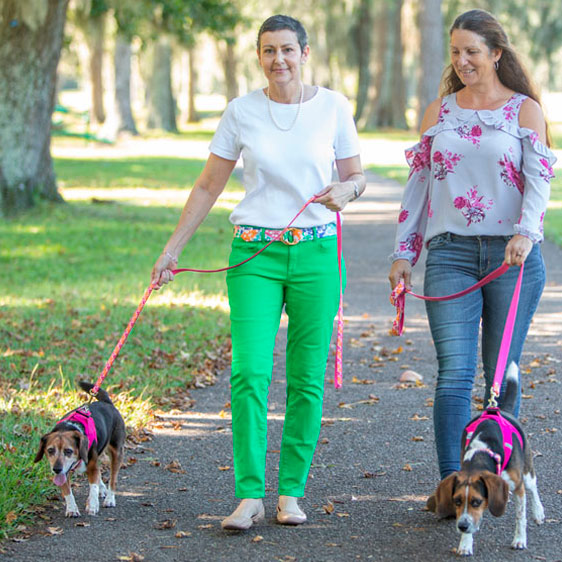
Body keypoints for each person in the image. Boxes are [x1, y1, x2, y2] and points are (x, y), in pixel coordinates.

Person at [151, 14, 364, 530]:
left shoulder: (333, 107)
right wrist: (172, 249)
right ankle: (248, 496)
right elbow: (208, 186)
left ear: (305, 52)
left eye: (288, 49)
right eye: (269, 51)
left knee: (306, 379)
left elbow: (356, 176)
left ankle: (291, 493)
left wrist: (347, 191)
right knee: (249, 372)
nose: (279, 60)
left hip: (316, 254)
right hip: (254, 256)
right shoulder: (241, 111)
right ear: (259, 56)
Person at [388, 9, 556, 484]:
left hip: (512, 257)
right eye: (456, 51)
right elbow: (418, 185)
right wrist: (404, 252)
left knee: (501, 375)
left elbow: (539, 181)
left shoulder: (524, 109)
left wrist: (526, 232)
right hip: (450, 254)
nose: (463, 60)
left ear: (496, 54)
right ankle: (453, 483)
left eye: (473, 52)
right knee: (455, 374)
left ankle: (498, 477)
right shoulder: (439, 112)